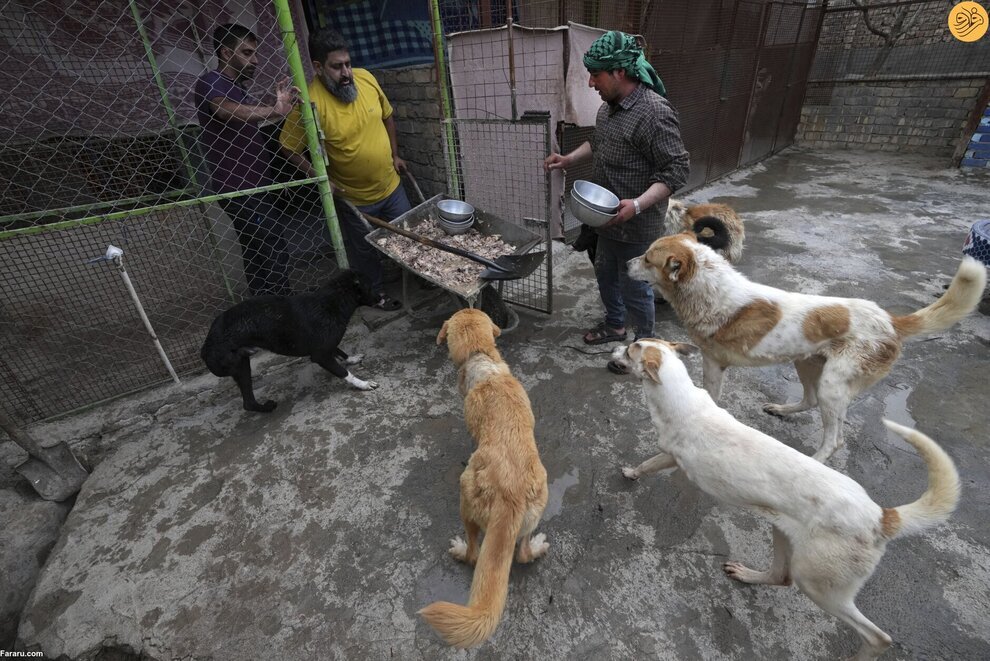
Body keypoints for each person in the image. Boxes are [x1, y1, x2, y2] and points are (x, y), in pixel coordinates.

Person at [544, 30, 689, 374]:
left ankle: (648, 348)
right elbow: (600, 142)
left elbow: (677, 169)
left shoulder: (654, 112)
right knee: (604, 272)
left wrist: (637, 205)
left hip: (637, 224)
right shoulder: (608, 109)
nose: (591, 82)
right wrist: (568, 158)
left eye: (596, 74)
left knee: (637, 287)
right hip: (605, 217)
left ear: (619, 73)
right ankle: (615, 326)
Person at [279, 27, 410, 312]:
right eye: (337, 67)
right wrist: (319, 177)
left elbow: (387, 117)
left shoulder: (366, 79)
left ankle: (421, 276)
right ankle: (376, 294)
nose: (347, 72)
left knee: (410, 233)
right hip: (354, 199)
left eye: (348, 63)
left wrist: (395, 155)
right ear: (318, 67)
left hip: (391, 184)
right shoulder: (309, 103)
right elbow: (288, 147)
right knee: (364, 252)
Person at [195, 23, 298, 297]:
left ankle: (264, 306)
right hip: (239, 188)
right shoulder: (211, 82)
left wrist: (277, 110)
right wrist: (272, 110)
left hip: (253, 185)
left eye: (255, 53)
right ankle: (281, 309)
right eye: (247, 53)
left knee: (256, 251)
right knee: (273, 244)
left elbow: (244, 113)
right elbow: (225, 111)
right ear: (227, 53)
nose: (255, 60)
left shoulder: (236, 87)